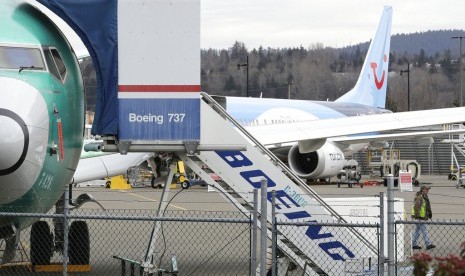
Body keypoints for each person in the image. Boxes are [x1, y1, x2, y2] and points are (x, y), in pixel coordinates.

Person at [411, 184, 436, 250]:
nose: (428, 190)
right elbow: (417, 206)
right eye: (427, 189)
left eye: (428, 189)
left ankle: (414, 244)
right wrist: (417, 215)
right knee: (424, 230)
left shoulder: (424, 196)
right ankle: (428, 244)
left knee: (417, 230)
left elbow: (426, 206)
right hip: (420, 217)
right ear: (422, 189)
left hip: (421, 216)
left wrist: (429, 213)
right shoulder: (420, 197)